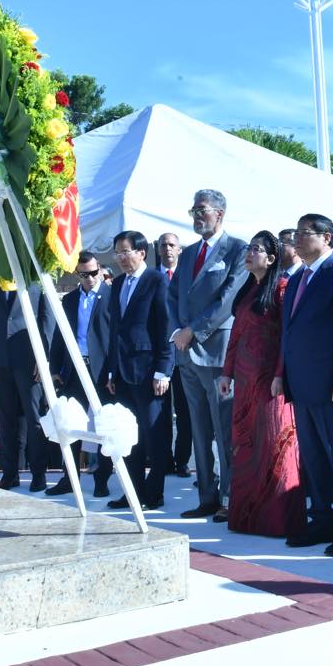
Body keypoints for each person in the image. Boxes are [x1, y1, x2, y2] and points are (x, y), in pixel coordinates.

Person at [277, 213, 333, 556]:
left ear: (326, 237)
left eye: (305, 233)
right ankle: (321, 520)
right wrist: (282, 375)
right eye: (295, 234)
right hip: (303, 384)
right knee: (313, 458)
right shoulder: (300, 276)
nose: (297, 240)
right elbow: (289, 333)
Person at [218, 231, 304, 537]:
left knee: (275, 446)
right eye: (249, 248)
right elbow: (235, 337)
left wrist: (281, 374)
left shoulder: (282, 288)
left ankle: (279, 519)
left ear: (271, 258)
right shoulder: (246, 291)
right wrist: (226, 374)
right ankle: (247, 517)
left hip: (270, 382)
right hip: (244, 382)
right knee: (246, 448)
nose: (249, 253)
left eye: (257, 249)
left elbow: (287, 339)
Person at [170, 191, 248, 520]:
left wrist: (194, 331)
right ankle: (207, 495)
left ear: (220, 213)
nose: (196, 215)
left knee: (224, 429)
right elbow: (172, 296)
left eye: (202, 210)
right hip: (185, 353)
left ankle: (230, 498)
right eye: (193, 210)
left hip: (217, 352)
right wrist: (177, 331)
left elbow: (228, 299)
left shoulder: (237, 249)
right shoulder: (188, 254)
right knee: (199, 430)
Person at [102, 231, 174, 509]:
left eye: (125, 251)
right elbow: (114, 331)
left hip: (149, 371)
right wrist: (111, 370)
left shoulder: (156, 280)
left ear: (141, 253)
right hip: (122, 371)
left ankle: (153, 493)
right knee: (127, 434)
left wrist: (163, 370)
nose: (120, 257)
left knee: (153, 434)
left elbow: (164, 326)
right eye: (117, 253)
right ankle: (132, 491)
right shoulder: (118, 283)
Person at [48, 251, 113, 497]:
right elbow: (59, 335)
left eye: (93, 273)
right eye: (84, 274)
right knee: (70, 421)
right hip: (74, 368)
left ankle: (102, 478)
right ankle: (70, 477)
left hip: (101, 369)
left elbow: (115, 336)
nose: (89, 278)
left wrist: (112, 371)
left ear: (101, 270)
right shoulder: (71, 299)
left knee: (102, 424)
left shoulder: (110, 295)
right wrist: (54, 368)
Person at [0, 284, 55, 492]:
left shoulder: (36, 281)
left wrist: (45, 358)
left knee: (35, 419)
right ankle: (9, 473)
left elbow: (48, 320)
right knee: (5, 420)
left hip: (30, 360)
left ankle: (38, 473)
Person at [156, 231, 194, 479]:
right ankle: (162, 460)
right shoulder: (150, 277)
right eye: (163, 245)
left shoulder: (188, 278)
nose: (168, 249)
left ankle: (181, 460)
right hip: (158, 357)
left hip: (183, 355)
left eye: (172, 245)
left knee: (185, 413)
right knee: (159, 413)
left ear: (180, 250)